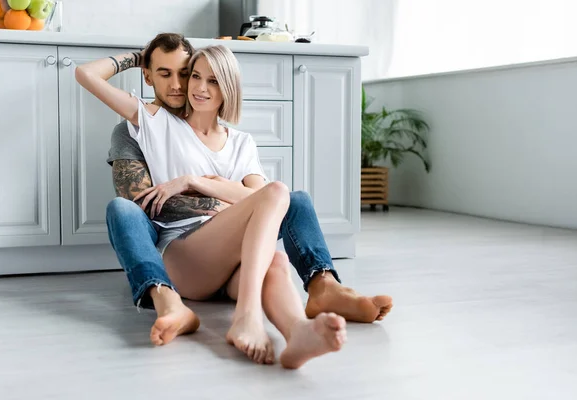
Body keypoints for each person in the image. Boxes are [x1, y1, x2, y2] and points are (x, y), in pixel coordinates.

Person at [76, 33, 392, 353]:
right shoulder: (155, 121)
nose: (198, 87)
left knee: (280, 250)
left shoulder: (241, 143)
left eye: (211, 81)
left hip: (235, 263)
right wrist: (140, 57)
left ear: (228, 87)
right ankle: (247, 316)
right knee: (278, 193)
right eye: (194, 76)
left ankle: (300, 329)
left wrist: (195, 182)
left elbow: (268, 200)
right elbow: (86, 74)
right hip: (187, 255)